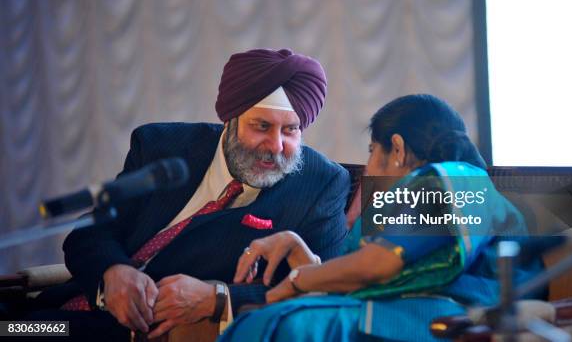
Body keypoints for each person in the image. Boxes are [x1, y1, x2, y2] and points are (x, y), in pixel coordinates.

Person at [27, 48, 350, 340]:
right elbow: (93, 232)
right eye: (262, 126)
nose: (276, 146)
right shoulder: (162, 147)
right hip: (62, 313)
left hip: (146, 333)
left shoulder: (320, 185)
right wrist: (112, 272)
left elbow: (327, 290)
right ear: (230, 120)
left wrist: (219, 298)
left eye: (291, 130)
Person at [220, 94, 543, 342]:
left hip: (452, 319)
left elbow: (378, 266)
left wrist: (295, 281)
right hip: (408, 312)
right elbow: (363, 278)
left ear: (398, 149)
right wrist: (296, 246)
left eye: (373, 150)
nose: (369, 168)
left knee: (284, 325)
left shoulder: (454, 179)